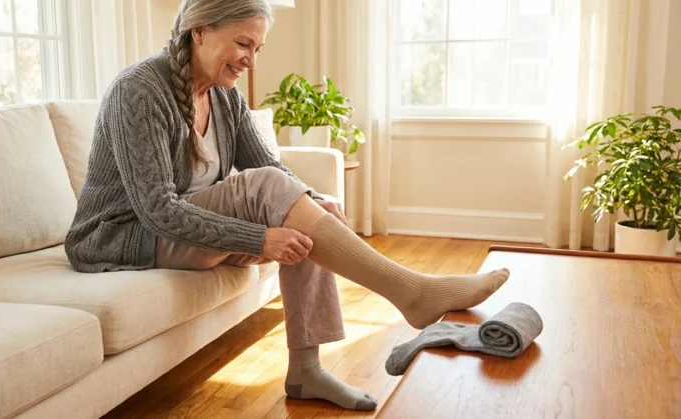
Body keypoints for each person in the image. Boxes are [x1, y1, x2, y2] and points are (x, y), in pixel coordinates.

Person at [65, 0, 510, 411]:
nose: (250, 60)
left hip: (178, 230)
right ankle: (412, 292)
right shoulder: (139, 90)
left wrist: (314, 202)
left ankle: (306, 371)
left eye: (257, 47)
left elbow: (267, 165)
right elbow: (157, 209)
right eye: (242, 44)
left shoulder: (224, 96)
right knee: (273, 197)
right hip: (123, 236)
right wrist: (260, 238)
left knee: (305, 211)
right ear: (198, 32)